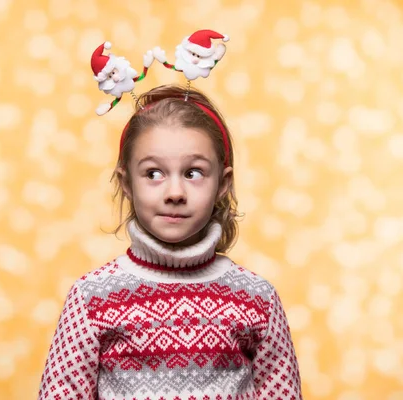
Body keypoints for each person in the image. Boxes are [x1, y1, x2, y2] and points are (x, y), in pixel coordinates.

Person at [37, 84, 302, 399]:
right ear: (126, 183)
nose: (175, 193)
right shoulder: (92, 298)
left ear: (222, 183)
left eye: (193, 173)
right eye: (153, 174)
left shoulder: (258, 299)